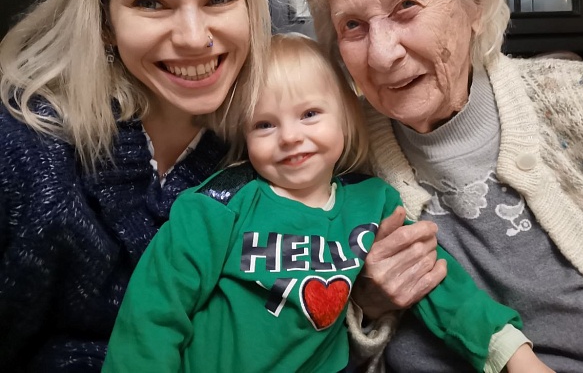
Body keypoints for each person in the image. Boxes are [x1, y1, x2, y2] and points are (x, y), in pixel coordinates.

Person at [300, 0, 583, 372]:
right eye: (353, 26)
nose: (381, 55)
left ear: (474, 5)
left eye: (406, 6)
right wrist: (365, 307)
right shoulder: (328, 157)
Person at [103, 32, 555, 373]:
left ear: (345, 117)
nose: (290, 137)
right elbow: (152, 315)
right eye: (264, 124)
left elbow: (439, 282)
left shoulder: (374, 202)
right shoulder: (217, 204)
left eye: (309, 114)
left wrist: (514, 355)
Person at [0, 0, 270, 370]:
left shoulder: (273, 143)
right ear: (104, 21)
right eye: (150, 2)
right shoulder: (24, 152)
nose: (194, 38)